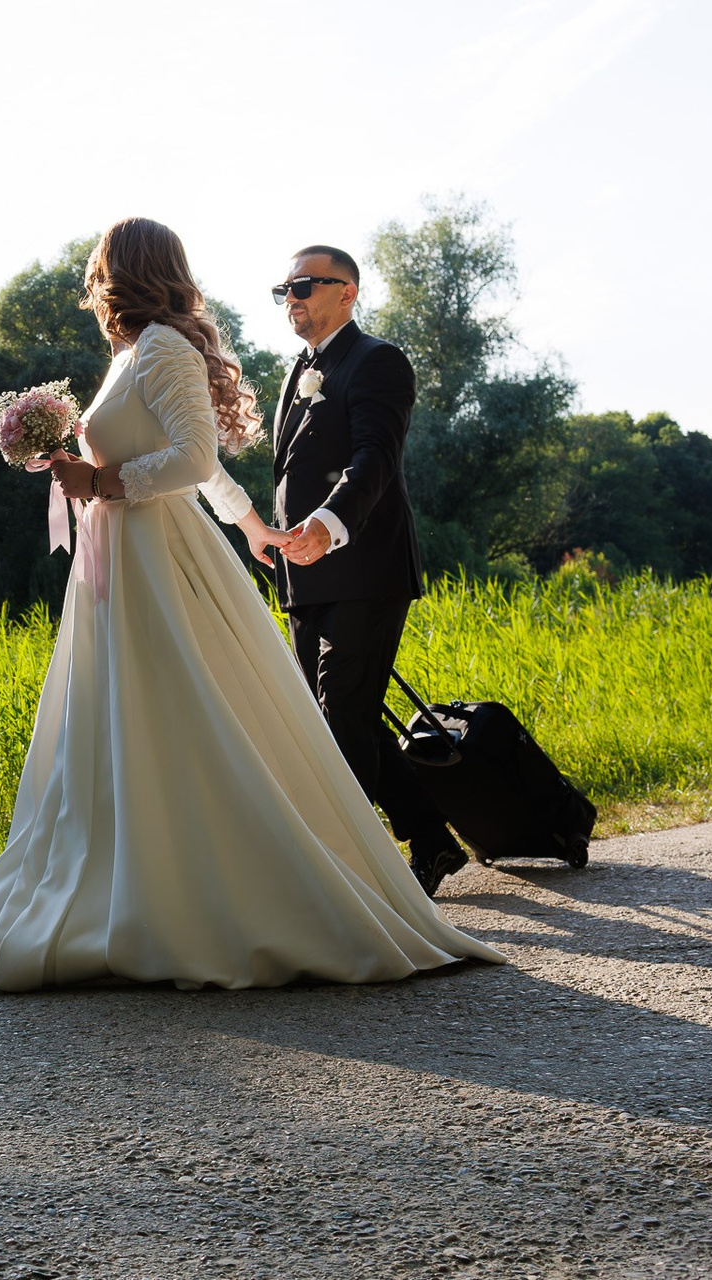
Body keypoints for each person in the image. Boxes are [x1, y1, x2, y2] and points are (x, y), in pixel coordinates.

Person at [0, 218, 504, 992]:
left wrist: (100, 481)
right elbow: (200, 466)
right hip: (124, 558)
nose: (92, 281)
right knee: (129, 720)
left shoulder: (167, 348)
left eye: (100, 268)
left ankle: (285, 882)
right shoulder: (133, 353)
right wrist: (249, 523)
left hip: (162, 557)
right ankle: (126, 892)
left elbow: (192, 457)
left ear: (127, 271)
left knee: (240, 712)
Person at [268, 245, 468, 896]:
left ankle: (350, 877)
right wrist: (273, 535)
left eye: (303, 285)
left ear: (346, 292)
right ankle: (433, 839)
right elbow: (294, 470)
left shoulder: (378, 360)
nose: (291, 298)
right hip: (304, 574)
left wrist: (326, 524)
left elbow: (374, 459)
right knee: (333, 716)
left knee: (344, 715)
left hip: (365, 568)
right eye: (284, 289)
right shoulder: (299, 369)